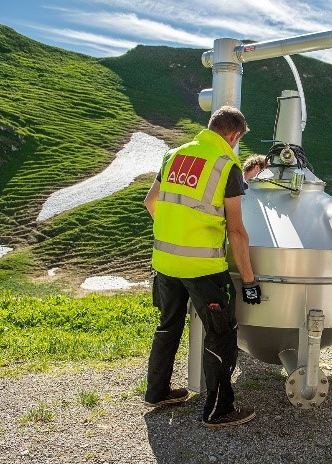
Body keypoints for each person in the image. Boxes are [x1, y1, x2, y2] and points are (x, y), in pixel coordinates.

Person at [142, 106, 262, 428]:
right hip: (203, 268)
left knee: (168, 325)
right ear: (234, 135)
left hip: (165, 261)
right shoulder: (227, 166)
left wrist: (175, 233)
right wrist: (249, 280)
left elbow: (150, 202)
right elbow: (236, 230)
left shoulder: (173, 156)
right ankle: (218, 410)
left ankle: (157, 392)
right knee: (221, 333)